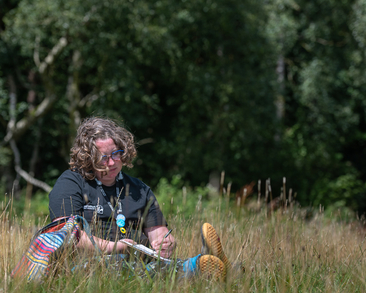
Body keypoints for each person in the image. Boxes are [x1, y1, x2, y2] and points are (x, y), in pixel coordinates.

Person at [48, 117, 230, 280]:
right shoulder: (70, 182)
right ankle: (199, 266)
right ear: (88, 158)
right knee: (120, 268)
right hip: (87, 265)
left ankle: (214, 266)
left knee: (150, 267)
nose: (111, 163)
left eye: (116, 154)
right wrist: (115, 247)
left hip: (138, 261)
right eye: (103, 158)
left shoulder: (139, 189)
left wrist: (165, 243)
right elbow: (68, 235)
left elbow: (159, 232)